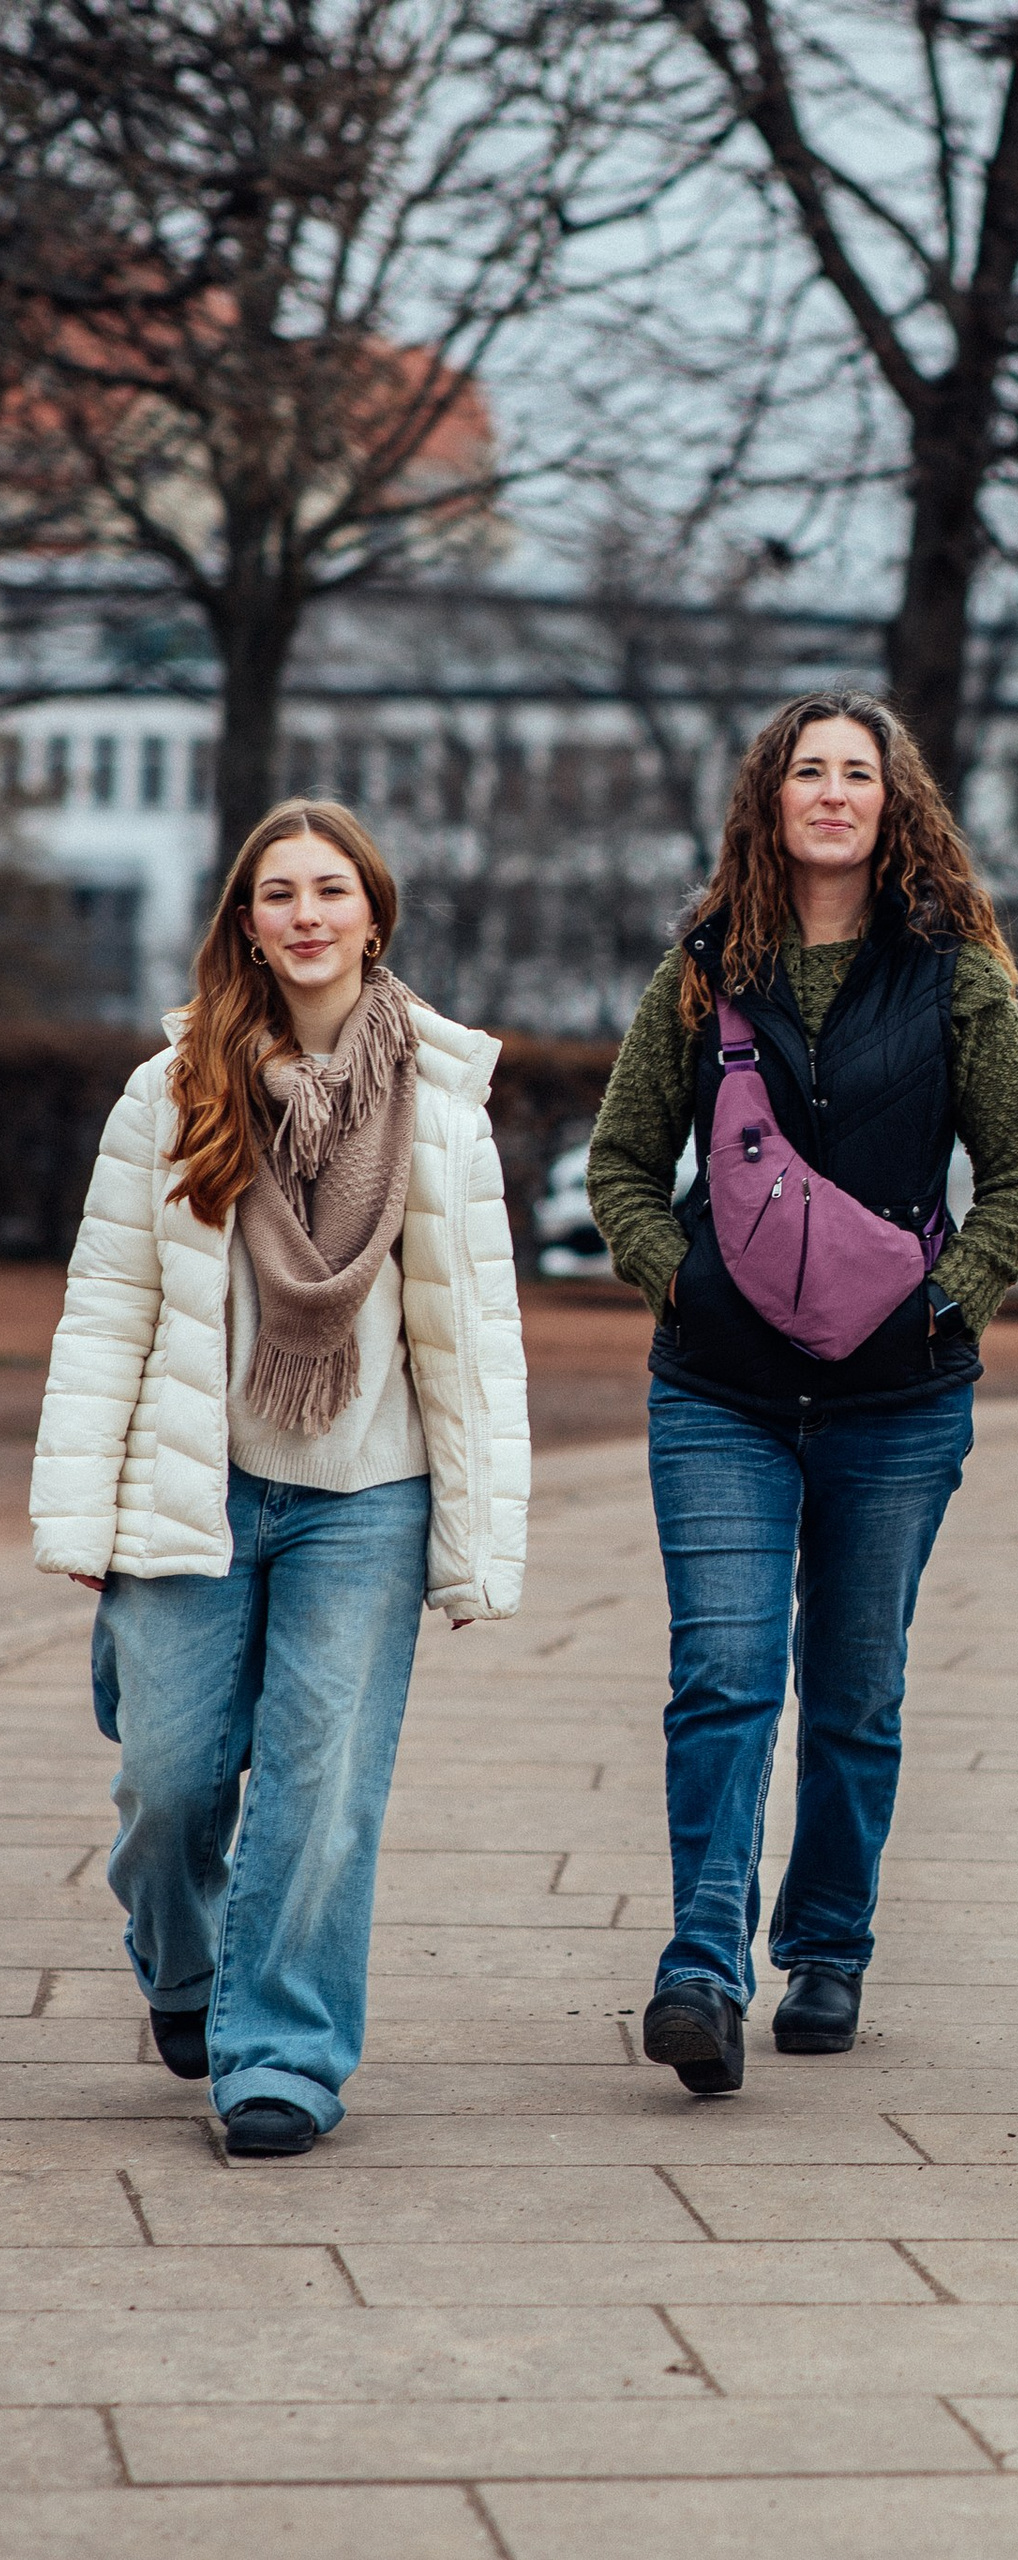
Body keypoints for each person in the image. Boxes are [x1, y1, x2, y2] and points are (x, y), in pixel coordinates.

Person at [32, 800, 528, 2158]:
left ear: (374, 915)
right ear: (245, 923)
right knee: (172, 1782)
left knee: (322, 1786)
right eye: (277, 893)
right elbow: (109, 1311)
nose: (306, 914)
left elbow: (473, 1334)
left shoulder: (441, 1103)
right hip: (197, 1484)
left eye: (331, 891)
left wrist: (478, 1538)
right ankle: (186, 1970)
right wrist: (83, 1510)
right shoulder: (174, 1091)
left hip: (367, 1497)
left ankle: (283, 2055)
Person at [586, 687, 1018, 2097]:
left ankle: (831, 1944)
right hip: (719, 1393)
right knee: (724, 1678)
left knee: (853, 1691)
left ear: (893, 801)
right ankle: (701, 1972)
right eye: (809, 772)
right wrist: (683, 1279)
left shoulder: (958, 972)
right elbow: (619, 1166)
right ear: (769, 800)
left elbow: (1015, 1180)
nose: (835, 794)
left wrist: (945, 1303)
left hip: (897, 1405)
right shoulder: (704, 966)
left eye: (860, 773)